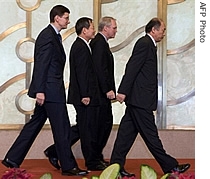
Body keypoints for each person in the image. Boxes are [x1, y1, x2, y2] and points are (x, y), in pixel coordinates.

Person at [1, 5, 87, 176]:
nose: (68, 21)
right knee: (61, 128)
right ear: (57, 18)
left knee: (35, 123)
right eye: (66, 17)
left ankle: (12, 157)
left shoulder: (52, 35)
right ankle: (68, 166)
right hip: (50, 91)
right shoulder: (48, 36)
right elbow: (41, 64)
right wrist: (40, 91)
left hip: (49, 89)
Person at [109, 17, 190, 177]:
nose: (164, 33)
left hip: (138, 100)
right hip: (140, 101)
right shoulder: (144, 44)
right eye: (162, 30)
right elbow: (131, 67)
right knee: (151, 136)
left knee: (125, 136)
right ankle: (171, 167)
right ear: (153, 30)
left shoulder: (149, 45)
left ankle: (115, 168)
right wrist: (123, 91)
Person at [44, 17, 107, 171]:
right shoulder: (80, 46)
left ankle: (54, 150)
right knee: (86, 130)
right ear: (84, 30)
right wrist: (85, 95)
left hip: (85, 96)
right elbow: (81, 73)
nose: (94, 30)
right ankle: (91, 161)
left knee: (82, 128)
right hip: (83, 97)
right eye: (92, 27)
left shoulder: (84, 45)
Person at [89, 16, 117, 165]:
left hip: (102, 93)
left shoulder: (101, 43)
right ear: (105, 28)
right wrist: (107, 90)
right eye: (114, 27)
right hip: (99, 94)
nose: (116, 30)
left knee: (103, 124)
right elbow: (100, 69)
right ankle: (94, 158)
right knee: (100, 126)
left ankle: (97, 156)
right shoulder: (99, 43)